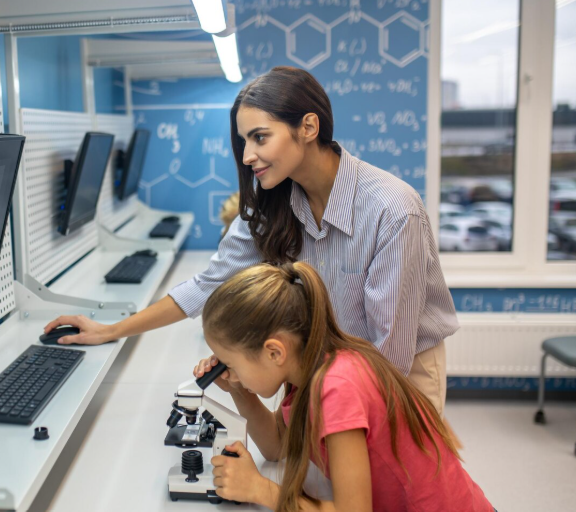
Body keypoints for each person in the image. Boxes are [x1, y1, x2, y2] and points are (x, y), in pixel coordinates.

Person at [44, 66, 459, 415]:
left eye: (260, 137)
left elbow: (390, 352)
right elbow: (208, 285)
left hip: (395, 375)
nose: (246, 155)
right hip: (321, 367)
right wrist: (111, 331)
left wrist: (330, 415)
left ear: (308, 127)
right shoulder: (273, 198)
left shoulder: (392, 209)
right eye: (244, 141)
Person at [191, 261, 492, 511]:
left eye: (230, 363)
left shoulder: (337, 387)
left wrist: (261, 490)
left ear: (274, 352)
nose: (227, 370)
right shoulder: (311, 368)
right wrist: (237, 388)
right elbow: (276, 446)